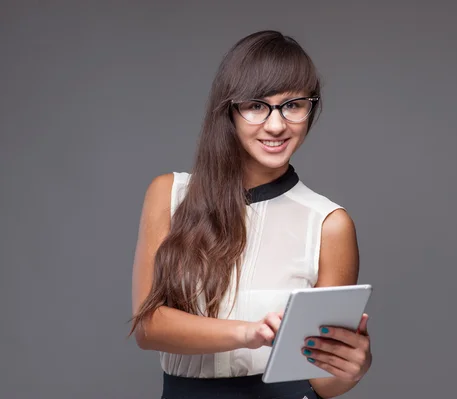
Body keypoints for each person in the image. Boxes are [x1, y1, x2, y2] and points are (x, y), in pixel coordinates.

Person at [129, 30, 372, 399]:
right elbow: (148, 327)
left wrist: (352, 369)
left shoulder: (329, 223)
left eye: (293, 105)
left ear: (311, 108)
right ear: (229, 110)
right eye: (257, 105)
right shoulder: (169, 194)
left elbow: (322, 378)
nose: (277, 125)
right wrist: (248, 332)